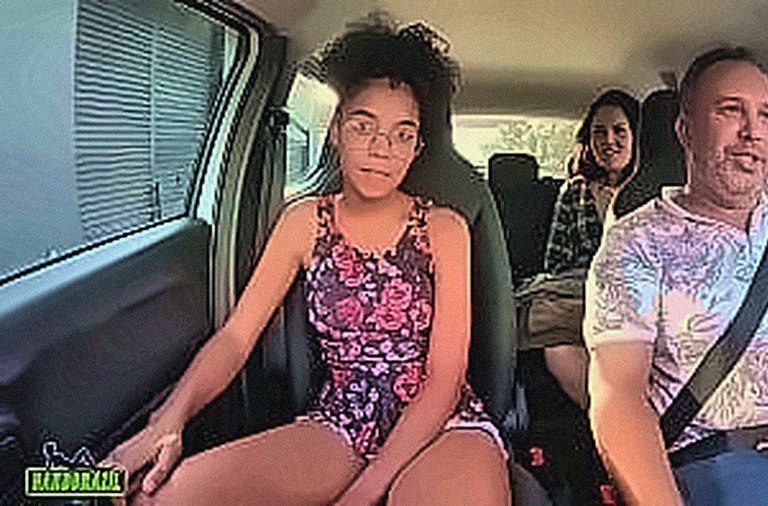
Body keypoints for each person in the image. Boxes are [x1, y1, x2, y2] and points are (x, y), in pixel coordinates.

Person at [104, 19, 510, 506]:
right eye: (363, 126)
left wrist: (363, 493)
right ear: (335, 130)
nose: (382, 149)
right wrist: (166, 421)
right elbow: (236, 337)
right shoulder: (304, 222)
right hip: (342, 423)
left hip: (443, 426)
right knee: (155, 498)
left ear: (417, 147)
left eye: (402, 134)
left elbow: (445, 378)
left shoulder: (445, 228)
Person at [584, 47, 768, 505]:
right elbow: (619, 400)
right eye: (730, 110)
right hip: (724, 464)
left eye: (766, 115)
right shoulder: (636, 243)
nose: (752, 131)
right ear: (685, 130)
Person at [540, 89, 639, 409]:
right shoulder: (575, 190)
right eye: (599, 132)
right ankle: (611, 423)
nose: (609, 140)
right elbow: (555, 263)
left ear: (637, 136)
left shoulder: (656, 191)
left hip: (641, 304)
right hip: (583, 302)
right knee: (557, 350)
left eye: (619, 130)